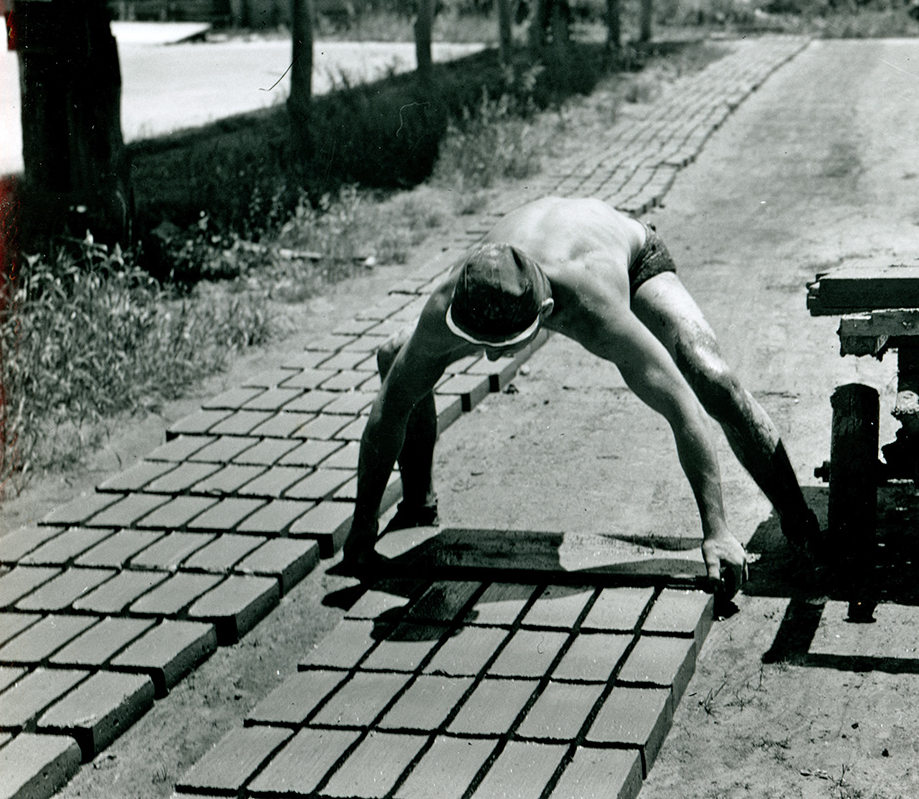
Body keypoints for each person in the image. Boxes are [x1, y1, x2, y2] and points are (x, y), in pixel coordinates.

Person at [345, 196, 823, 597]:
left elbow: (682, 408)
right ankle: (417, 505)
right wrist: (363, 525)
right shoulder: (451, 298)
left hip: (629, 254)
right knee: (395, 356)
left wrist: (716, 530)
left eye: (504, 347)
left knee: (709, 376)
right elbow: (389, 409)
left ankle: (799, 523)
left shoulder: (594, 305)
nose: (490, 361)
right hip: (534, 256)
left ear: (548, 313)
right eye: (480, 344)